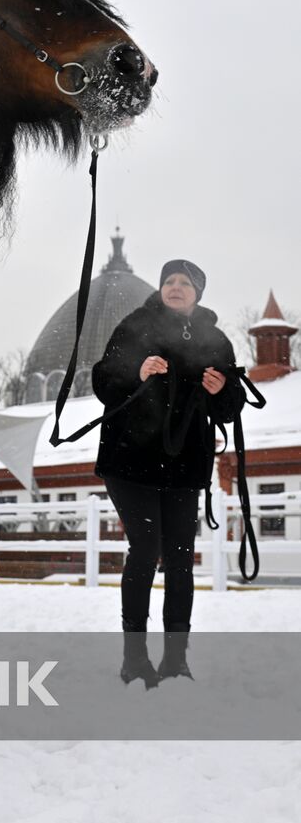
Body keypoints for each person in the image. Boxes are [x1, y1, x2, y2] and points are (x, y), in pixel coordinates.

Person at [92, 259, 244, 687]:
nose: (175, 287)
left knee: (180, 559)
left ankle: (176, 659)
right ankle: (134, 658)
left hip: (184, 464)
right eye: (169, 281)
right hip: (132, 459)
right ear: (160, 288)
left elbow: (230, 410)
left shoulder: (215, 340)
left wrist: (222, 391)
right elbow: (104, 380)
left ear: (198, 292)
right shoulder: (135, 326)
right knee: (145, 549)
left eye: (185, 282)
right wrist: (136, 372)